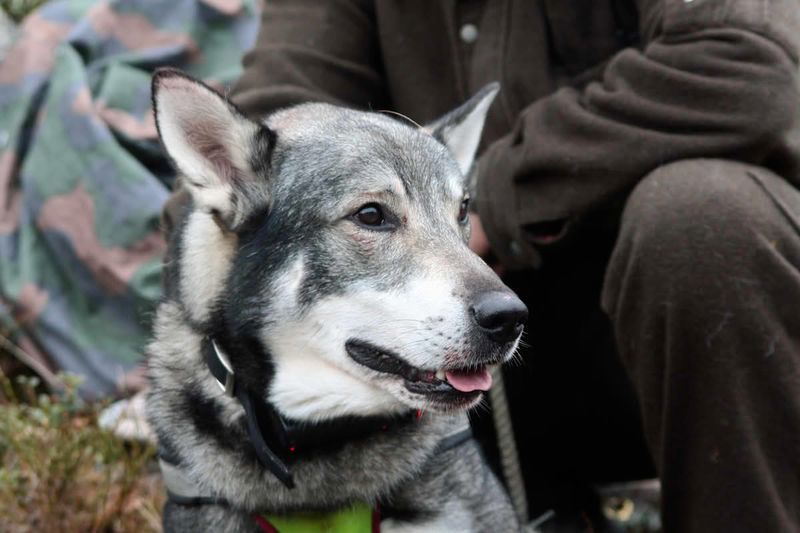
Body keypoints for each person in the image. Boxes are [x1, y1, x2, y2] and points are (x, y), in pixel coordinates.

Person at [165, 1, 800, 530]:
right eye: (373, 215)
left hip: (680, 356)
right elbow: (278, 118)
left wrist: (494, 198)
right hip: (466, 376)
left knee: (703, 217)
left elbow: (747, 67)